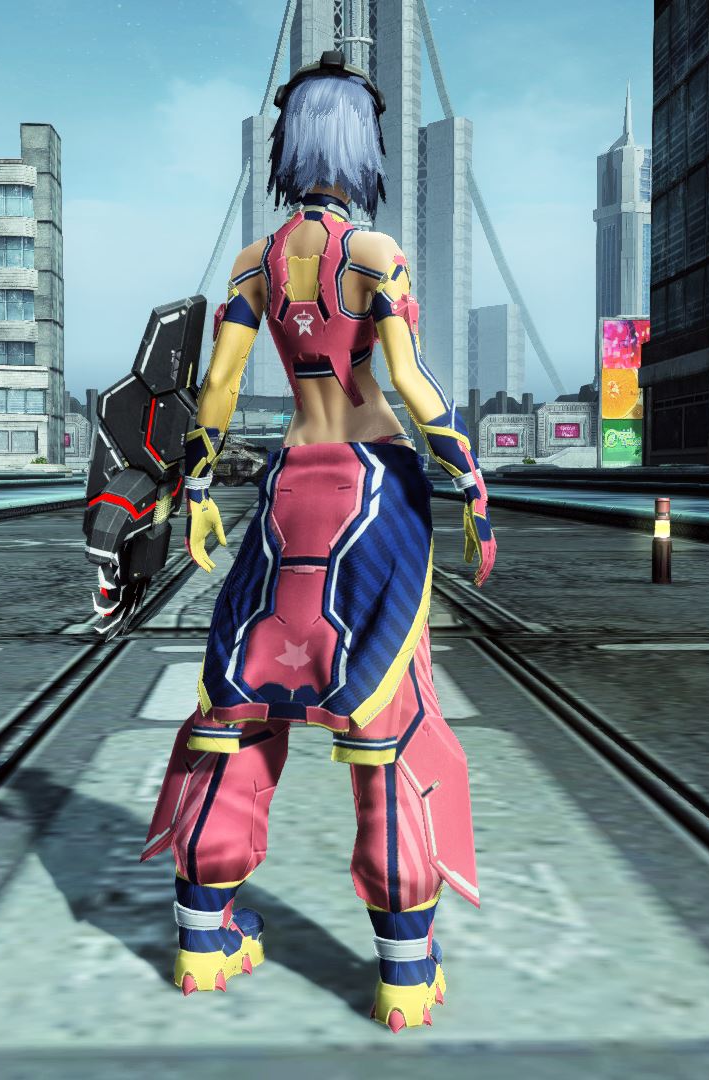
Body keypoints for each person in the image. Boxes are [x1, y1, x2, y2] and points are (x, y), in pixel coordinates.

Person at [135, 49, 496, 1033]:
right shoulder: (376, 255)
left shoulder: (255, 262)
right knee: (389, 715)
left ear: (290, 145)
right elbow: (411, 385)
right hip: (374, 489)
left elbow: (216, 388)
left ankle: (204, 940)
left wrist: (195, 485)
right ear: (362, 145)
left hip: (289, 489)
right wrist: (468, 475)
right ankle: (404, 971)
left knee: (240, 697)